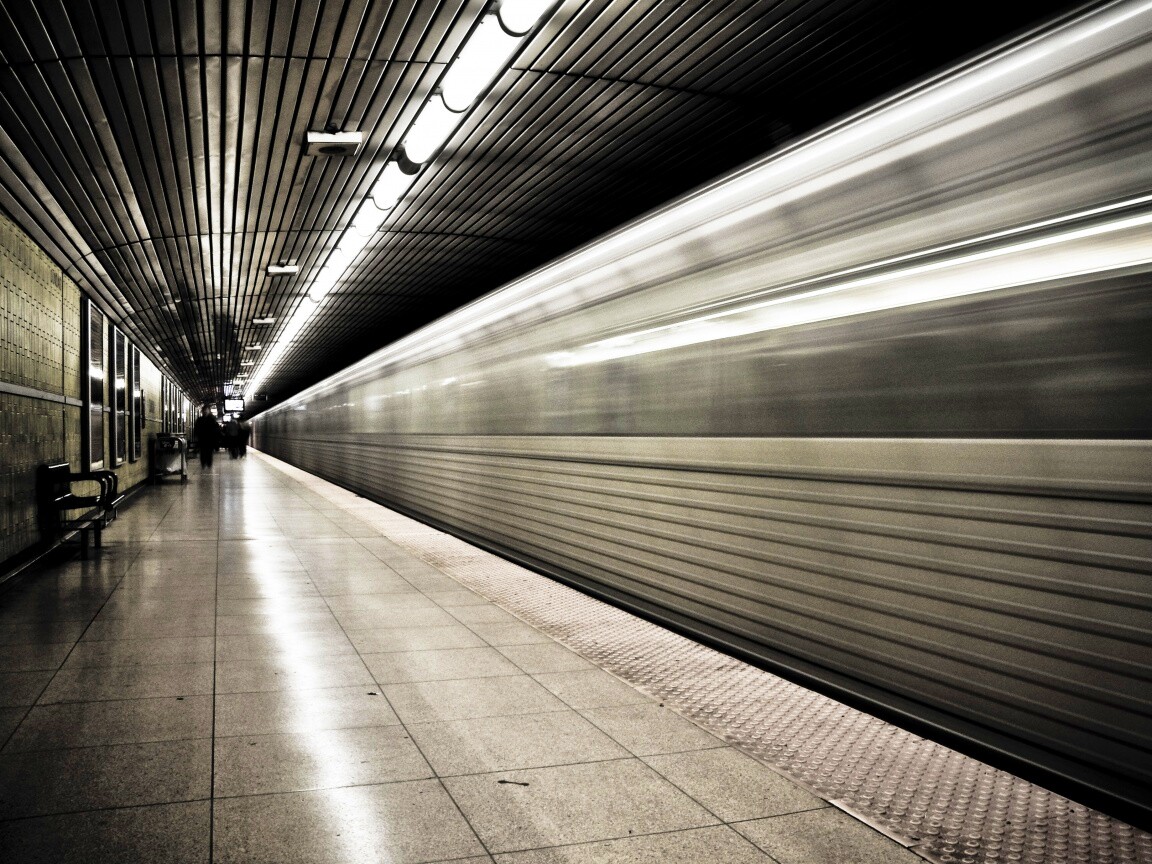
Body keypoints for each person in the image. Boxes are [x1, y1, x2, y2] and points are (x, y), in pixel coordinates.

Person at [193, 405, 221, 470]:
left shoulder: (212, 419)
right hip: (202, 439)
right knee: (203, 452)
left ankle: (208, 463)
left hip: (210, 439)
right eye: (204, 410)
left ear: (209, 411)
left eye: (206, 410)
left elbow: (216, 430)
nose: (205, 411)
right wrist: (196, 436)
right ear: (202, 411)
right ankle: (203, 463)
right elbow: (196, 429)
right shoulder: (200, 419)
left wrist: (215, 439)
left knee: (209, 452)